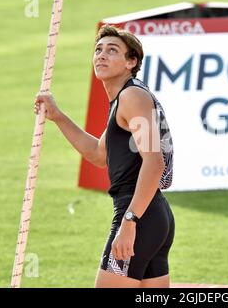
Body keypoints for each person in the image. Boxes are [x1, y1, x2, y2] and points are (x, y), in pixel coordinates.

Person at [34, 25, 175, 288]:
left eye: (112, 51)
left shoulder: (132, 96)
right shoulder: (124, 100)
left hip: (139, 215)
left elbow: (155, 163)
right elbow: (99, 155)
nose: (101, 55)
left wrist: (130, 222)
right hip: (152, 215)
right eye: (98, 50)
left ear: (131, 62)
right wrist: (58, 116)